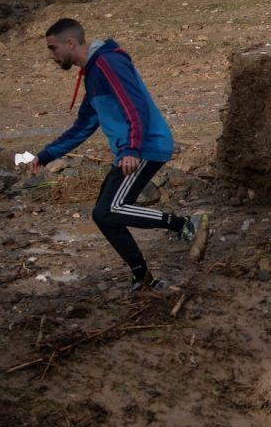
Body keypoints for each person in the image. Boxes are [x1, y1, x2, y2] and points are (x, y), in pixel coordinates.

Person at [29, 18, 209, 291]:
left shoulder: (108, 63)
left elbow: (135, 106)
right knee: (103, 216)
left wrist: (131, 148)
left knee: (111, 209)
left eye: (53, 48)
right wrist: (45, 156)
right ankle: (142, 276)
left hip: (146, 148)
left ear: (70, 43)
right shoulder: (93, 74)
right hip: (132, 150)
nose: (51, 55)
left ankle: (184, 224)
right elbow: (84, 126)